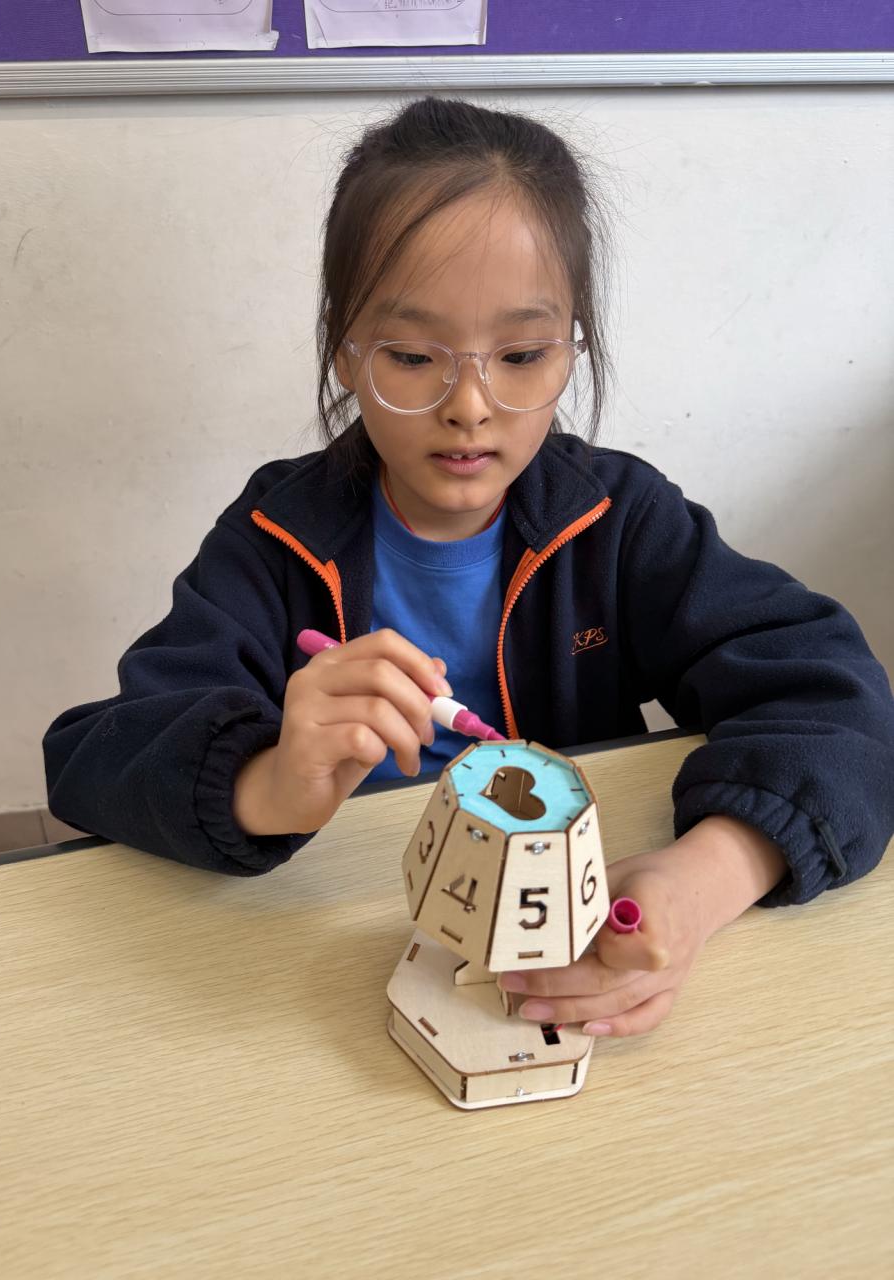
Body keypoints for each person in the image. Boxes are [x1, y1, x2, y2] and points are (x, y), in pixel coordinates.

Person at [43, 97, 894, 1039]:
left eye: (521, 354)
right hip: (325, 948)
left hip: (563, 942)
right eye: (413, 356)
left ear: (572, 351)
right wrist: (270, 780)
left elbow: (835, 700)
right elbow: (93, 757)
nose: (470, 405)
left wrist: (706, 876)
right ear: (345, 352)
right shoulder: (274, 534)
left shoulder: (619, 521)